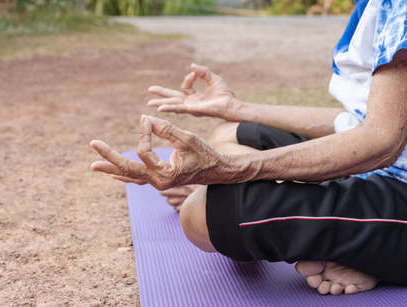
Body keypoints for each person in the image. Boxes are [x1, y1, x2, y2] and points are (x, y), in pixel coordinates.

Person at [90, 0, 406, 296]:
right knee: (232, 133)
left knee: (199, 215)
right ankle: (342, 241)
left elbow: (380, 142)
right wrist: (236, 108)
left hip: (393, 177)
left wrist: (231, 170)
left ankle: (361, 251)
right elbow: (359, 121)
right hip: (384, 165)